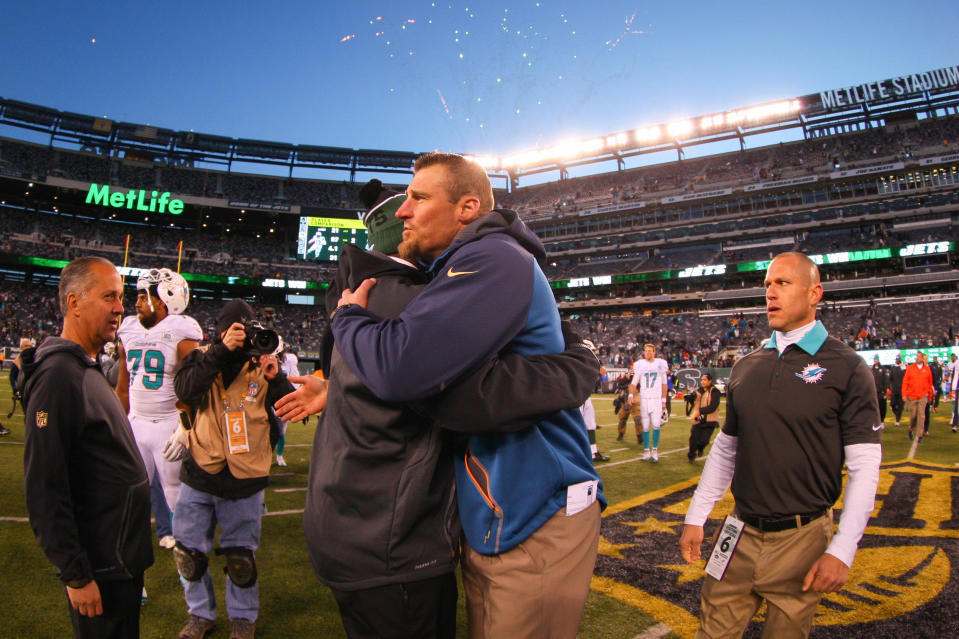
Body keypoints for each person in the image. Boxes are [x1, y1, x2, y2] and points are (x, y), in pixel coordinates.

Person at [276, 178, 600, 639]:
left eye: (420, 200)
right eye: (406, 206)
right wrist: (580, 362)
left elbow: (397, 376)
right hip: (394, 541)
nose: (410, 213)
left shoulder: (363, 297)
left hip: (352, 530)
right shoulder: (407, 302)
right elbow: (465, 396)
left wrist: (341, 386)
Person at [678, 252, 882, 639]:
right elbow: (726, 450)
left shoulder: (847, 366)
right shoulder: (746, 365)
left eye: (783, 283)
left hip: (802, 537)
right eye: (768, 284)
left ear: (814, 293)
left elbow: (865, 465)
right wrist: (696, 516)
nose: (770, 292)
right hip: (738, 529)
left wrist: (843, 549)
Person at [21, 256, 154, 639]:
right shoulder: (60, 376)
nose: (120, 308)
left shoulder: (84, 366)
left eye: (122, 297)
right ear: (74, 303)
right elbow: (44, 487)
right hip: (100, 565)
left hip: (117, 557)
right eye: (109, 296)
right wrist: (76, 575)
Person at [170, 299, 294, 639]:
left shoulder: (263, 362)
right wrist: (221, 352)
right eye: (236, 329)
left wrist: (278, 377)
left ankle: (243, 618)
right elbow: (184, 390)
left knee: (241, 559)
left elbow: (292, 410)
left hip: (246, 478)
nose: (243, 336)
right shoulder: (201, 355)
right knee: (188, 553)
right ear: (222, 330)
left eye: (247, 328)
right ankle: (200, 614)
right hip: (200, 472)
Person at [116, 267, 201, 550]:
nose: (137, 302)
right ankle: (132, 568)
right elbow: (122, 385)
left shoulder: (182, 331)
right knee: (130, 495)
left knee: (175, 492)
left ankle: (186, 558)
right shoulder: (127, 329)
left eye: (143, 296)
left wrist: (184, 427)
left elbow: (193, 385)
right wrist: (119, 424)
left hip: (167, 424)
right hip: (136, 422)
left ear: (163, 300)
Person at [629, 343, 670, 462]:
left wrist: (663, 400)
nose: (648, 353)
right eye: (646, 351)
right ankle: (646, 451)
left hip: (656, 399)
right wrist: (631, 395)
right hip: (644, 399)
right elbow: (633, 383)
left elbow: (664, 384)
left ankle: (655, 451)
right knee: (645, 427)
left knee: (656, 425)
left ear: (654, 352)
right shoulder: (640, 365)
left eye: (650, 351)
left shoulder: (660, 364)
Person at [274, 340, 300, 467]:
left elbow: (294, 381)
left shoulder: (288, 361)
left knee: (281, 432)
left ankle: (279, 456)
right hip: (265, 400)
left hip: (281, 401)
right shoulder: (263, 358)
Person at [687, 373, 721, 463]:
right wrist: (689, 398)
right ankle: (691, 456)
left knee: (704, 440)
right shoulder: (699, 390)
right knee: (693, 439)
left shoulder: (715, 392)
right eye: (701, 380)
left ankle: (700, 448)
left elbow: (713, 406)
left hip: (710, 420)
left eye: (705, 380)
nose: (702, 382)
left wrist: (700, 411)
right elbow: (694, 401)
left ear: (710, 381)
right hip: (698, 419)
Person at [902, 352, 935, 443]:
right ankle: (911, 428)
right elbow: (905, 381)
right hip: (912, 396)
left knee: (921, 415)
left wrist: (930, 395)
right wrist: (904, 394)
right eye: (916, 357)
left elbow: (930, 383)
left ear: (922, 358)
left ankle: (920, 435)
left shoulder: (927, 369)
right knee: (913, 415)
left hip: (923, 396)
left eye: (919, 357)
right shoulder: (911, 368)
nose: (917, 358)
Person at [889, 355, 906, 426]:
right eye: (897, 359)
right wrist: (890, 387)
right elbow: (890, 378)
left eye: (898, 359)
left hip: (901, 390)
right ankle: (897, 415)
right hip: (894, 390)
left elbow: (906, 377)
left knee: (900, 405)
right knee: (892, 405)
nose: (897, 360)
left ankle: (897, 419)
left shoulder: (903, 367)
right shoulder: (893, 368)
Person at [871, 355, 889, 423]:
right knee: (874, 407)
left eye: (876, 359)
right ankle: (876, 421)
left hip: (881, 392)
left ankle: (882, 421)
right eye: (874, 359)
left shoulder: (883, 369)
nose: (875, 360)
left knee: (882, 407)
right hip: (874, 392)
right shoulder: (872, 369)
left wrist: (885, 391)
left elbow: (886, 380)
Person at [613, 375, 630, 442]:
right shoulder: (627, 376)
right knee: (622, 419)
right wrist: (626, 378)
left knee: (638, 419)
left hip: (636, 398)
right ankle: (621, 434)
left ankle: (640, 436)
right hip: (625, 399)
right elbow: (620, 385)